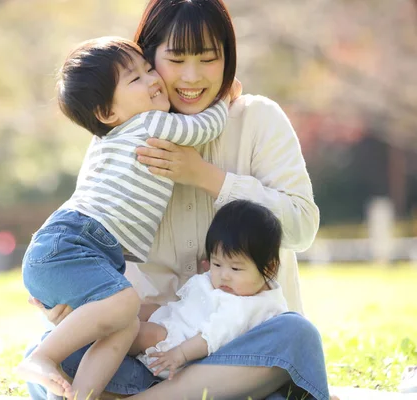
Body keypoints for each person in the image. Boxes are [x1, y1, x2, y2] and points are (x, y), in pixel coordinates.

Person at [26, 0, 330, 399]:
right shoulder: (119, 138)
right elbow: (94, 251)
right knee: (46, 353)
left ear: (228, 59)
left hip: (238, 347)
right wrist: (71, 307)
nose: (192, 77)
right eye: (175, 58)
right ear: (147, 58)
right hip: (149, 349)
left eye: (208, 59)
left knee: (295, 335)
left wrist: (207, 177)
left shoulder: (258, 119)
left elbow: (302, 227)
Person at [17, 36, 235, 400]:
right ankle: (43, 356)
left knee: (123, 323)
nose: (152, 80)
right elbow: (202, 128)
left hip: (63, 245)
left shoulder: (109, 140)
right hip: (75, 240)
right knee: (125, 305)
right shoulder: (150, 123)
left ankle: (82, 394)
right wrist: (224, 99)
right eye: (135, 79)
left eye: (149, 69)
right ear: (106, 113)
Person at [132, 200, 288, 381]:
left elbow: (211, 337)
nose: (224, 275)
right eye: (217, 263)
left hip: (181, 348)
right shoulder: (239, 286)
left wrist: (180, 354)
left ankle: (106, 345)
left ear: (269, 268)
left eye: (236, 269)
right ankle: (105, 325)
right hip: (176, 321)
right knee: (140, 308)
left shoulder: (246, 307)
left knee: (139, 332)